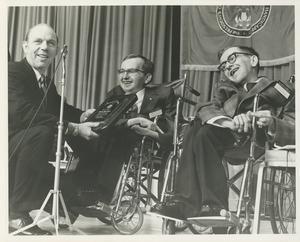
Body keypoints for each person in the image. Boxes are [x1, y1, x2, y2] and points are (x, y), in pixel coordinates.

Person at [152, 46, 295, 234]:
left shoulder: (279, 90)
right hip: (220, 139)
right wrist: (229, 122)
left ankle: (189, 202)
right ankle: (210, 207)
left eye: (232, 58)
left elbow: (293, 126)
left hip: (256, 143)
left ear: (253, 60)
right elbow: (205, 109)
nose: (227, 66)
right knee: (195, 126)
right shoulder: (224, 89)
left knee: (200, 131)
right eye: (223, 65)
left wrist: (270, 121)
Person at [8, 23, 100, 235]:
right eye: (38, 41)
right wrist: (75, 128)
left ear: (57, 50)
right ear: (25, 46)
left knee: (90, 135)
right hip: (10, 144)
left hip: (29, 145)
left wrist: (83, 115)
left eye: (50, 43)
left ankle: (77, 198)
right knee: (43, 131)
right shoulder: (12, 72)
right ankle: (16, 214)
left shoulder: (46, 81)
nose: (44, 47)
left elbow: (60, 108)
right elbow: (23, 114)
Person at [72, 54, 176, 210]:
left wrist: (150, 127)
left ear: (147, 77)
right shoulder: (114, 94)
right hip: (112, 139)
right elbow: (103, 121)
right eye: (121, 71)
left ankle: (102, 195)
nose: (124, 76)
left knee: (117, 135)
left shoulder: (163, 94)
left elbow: (171, 126)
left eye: (132, 71)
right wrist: (129, 121)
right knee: (90, 136)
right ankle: (77, 193)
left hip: (147, 143)